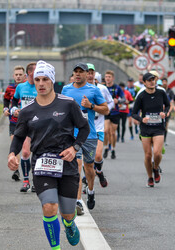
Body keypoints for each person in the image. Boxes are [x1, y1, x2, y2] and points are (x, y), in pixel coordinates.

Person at [8, 60, 90, 249]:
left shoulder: (68, 104)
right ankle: (55, 248)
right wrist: (12, 153)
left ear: (52, 81)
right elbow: (19, 136)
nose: (41, 83)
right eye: (37, 79)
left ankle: (69, 224)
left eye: (45, 79)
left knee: (68, 213)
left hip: (67, 163)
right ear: (33, 81)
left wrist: (74, 148)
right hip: (41, 164)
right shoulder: (27, 111)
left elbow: (84, 128)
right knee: (50, 206)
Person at [62, 62, 109, 214]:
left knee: (89, 167)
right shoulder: (66, 89)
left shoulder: (93, 90)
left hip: (89, 135)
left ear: (86, 74)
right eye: (75, 71)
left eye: (80, 72)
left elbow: (106, 109)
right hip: (71, 135)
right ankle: (77, 201)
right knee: (77, 167)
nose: (77, 74)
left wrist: (91, 106)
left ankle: (90, 189)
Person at [132, 72, 170, 187]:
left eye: (153, 79)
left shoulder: (161, 92)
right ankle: (150, 177)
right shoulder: (141, 95)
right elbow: (133, 113)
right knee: (148, 155)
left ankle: (156, 168)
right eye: (149, 80)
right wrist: (141, 119)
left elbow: (168, 105)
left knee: (157, 153)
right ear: (144, 83)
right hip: (146, 128)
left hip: (158, 127)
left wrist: (165, 113)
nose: (152, 82)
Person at [11, 62, 37, 192]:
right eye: (34, 73)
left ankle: (35, 181)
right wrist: (14, 109)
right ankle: (26, 180)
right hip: (25, 124)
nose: (37, 76)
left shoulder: (42, 86)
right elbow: (14, 100)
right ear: (28, 74)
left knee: (37, 153)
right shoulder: (21, 87)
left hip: (39, 125)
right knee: (26, 152)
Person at [3, 65, 26, 181]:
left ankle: (28, 167)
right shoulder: (10, 88)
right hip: (13, 120)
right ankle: (16, 170)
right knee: (14, 143)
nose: (18, 77)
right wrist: (5, 109)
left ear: (24, 76)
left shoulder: (28, 87)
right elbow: (6, 100)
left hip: (27, 122)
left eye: (20, 75)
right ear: (13, 76)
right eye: (16, 75)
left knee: (27, 149)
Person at [103, 70, 125, 159]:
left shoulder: (117, 88)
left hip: (115, 112)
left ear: (113, 78)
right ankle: (106, 147)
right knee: (105, 131)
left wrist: (118, 101)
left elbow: (124, 99)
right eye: (106, 77)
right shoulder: (103, 87)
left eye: (109, 77)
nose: (107, 78)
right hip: (106, 112)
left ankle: (113, 149)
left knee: (112, 133)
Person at [162, 77, 174, 145]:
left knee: (166, 127)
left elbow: (172, 103)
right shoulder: (160, 91)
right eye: (163, 82)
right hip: (159, 112)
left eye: (165, 82)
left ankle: (165, 140)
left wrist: (169, 111)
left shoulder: (170, 91)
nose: (164, 83)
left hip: (167, 111)